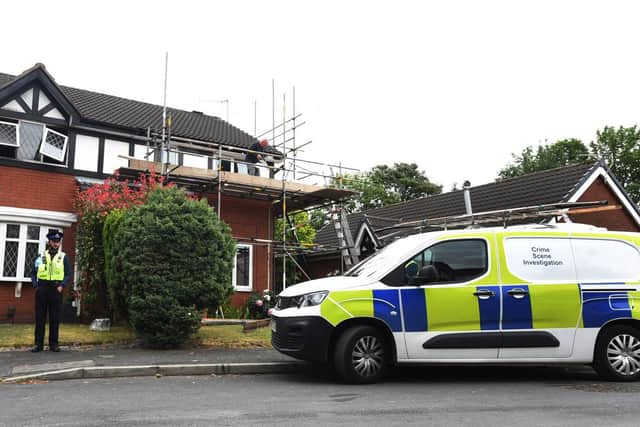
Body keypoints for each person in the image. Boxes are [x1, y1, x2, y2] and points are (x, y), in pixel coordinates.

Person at [30, 229, 72, 353]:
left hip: (56, 290)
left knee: (55, 318)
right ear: (49, 242)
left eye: (58, 241)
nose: (55, 243)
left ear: (59, 243)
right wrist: (36, 286)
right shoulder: (41, 256)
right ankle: (38, 344)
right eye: (53, 241)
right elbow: (33, 273)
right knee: (40, 318)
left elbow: (68, 274)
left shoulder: (63, 257)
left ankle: (54, 344)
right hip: (42, 289)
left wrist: (62, 286)